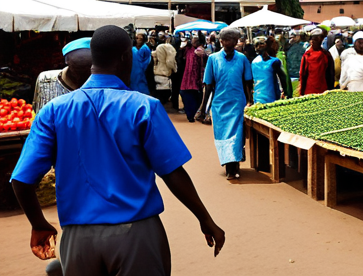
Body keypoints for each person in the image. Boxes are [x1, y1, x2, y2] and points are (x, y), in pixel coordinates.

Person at [11, 25, 224, 274]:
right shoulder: (144, 107)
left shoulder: (53, 111)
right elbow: (172, 172)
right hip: (137, 234)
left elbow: (21, 180)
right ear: (126, 57)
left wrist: (38, 224)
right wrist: (204, 218)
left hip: (78, 239)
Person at [200, 28, 253, 180]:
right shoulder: (213, 59)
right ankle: (229, 163)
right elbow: (208, 85)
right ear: (221, 41)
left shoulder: (242, 58)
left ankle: (233, 167)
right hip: (219, 105)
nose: (231, 43)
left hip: (237, 103)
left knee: (236, 136)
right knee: (222, 136)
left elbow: (248, 82)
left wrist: (250, 101)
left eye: (234, 40)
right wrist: (203, 108)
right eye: (227, 40)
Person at [32, 38, 92, 113]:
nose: (84, 65)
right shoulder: (46, 80)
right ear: (67, 60)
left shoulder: (104, 87)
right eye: (80, 59)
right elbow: (37, 110)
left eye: (89, 61)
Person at [251, 36, 290, 104]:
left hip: (270, 95)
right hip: (259, 96)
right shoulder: (254, 62)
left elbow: (282, 78)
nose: (259, 47)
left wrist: (285, 92)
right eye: (257, 45)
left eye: (261, 44)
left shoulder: (274, 61)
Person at [299, 29, 335, 96]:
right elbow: (302, 75)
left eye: (319, 39)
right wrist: (302, 92)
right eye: (314, 39)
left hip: (324, 91)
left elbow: (331, 74)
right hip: (309, 92)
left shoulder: (326, 55)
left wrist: (331, 90)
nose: (315, 41)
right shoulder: (307, 55)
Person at [181, 34, 208, 124]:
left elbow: (204, 60)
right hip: (187, 78)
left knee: (196, 98)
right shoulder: (188, 49)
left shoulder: (201, 51)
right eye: (193, 39)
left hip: (197, 79)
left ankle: (194, 115)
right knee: (186, 96)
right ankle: (190, 115)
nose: (193, 41)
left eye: (195, 40)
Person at [153, 32, 177, 104]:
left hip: (157, 74)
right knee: (164, 98)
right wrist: (175, 69)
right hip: (165, 75)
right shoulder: (170, 48)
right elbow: (170, 62)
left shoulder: (158, 48)